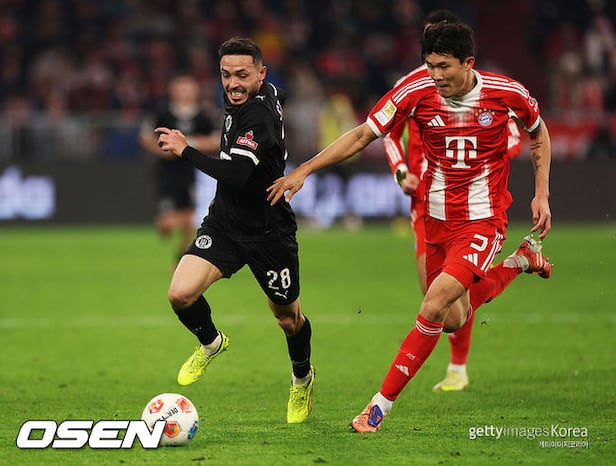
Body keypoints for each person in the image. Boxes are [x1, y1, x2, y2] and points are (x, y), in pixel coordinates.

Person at [267, 22, 552, 432]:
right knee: (453, 317)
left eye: (444, 66)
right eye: (430, 65)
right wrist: (306, 169)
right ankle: (522, 261)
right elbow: (363, 135)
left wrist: (541, 193)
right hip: (433, 220)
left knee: (433, 305)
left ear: (468, 63)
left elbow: (538, 131)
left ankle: (378, 407)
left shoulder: (507, 93)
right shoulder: (414, 89)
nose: (436, 75)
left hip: (482, 220)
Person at [155, 37, 315, 424]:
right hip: (225, 223)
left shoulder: (258, 114)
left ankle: (302, 377)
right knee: (180, 294)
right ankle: (211, 342)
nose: (232, 83)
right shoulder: (262, 94)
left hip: (268, 231)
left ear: (261, 73)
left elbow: (238, 174)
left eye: (242, 75)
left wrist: (185, 150)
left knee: (287, 318)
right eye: (226, 75)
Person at [383, 9, 526, 393]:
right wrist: (401, 171)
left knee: (443, 296)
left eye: (442, 57)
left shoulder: (481, 91)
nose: (434, 67)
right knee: (444, 307)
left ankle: (457, 368)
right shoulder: (413, 87)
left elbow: (515, 135)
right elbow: (387, 133)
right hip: (424, 202)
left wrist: (480, 155)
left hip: (470, 206)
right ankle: (518, 262)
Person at [139, 74, 219, 267]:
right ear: (172, 91)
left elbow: (218, 140)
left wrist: (187, 146)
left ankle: (181, 259)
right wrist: (163, 150)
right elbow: (145, 137)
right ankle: (177, 231)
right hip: (168, 173)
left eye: (188, 88)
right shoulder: (162, 113)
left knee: (193, 219)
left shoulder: (206, 115)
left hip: (196, 173)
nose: (184, 92)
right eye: (180, 88)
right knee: (166, 225)